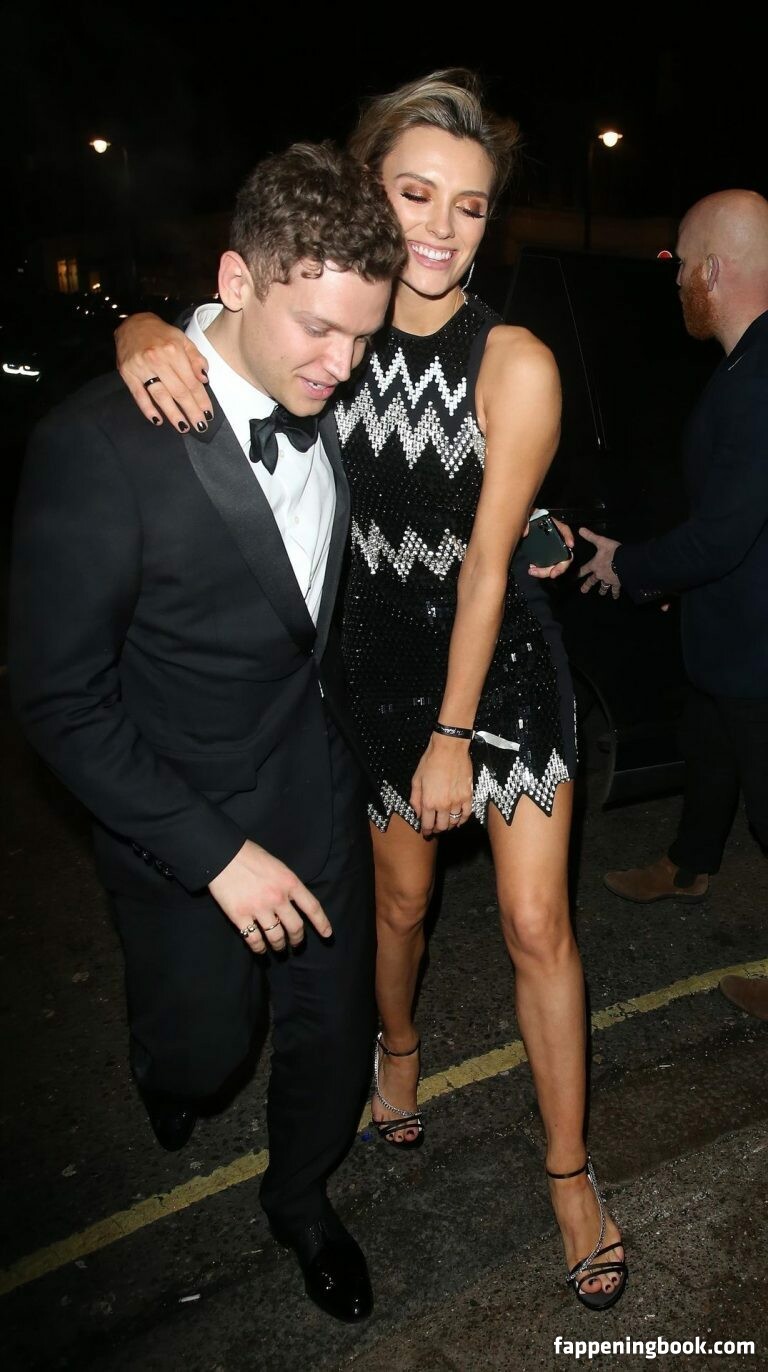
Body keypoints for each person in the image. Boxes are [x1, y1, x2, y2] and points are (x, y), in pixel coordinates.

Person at [115, 71, 627, 1310]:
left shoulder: (513, 362)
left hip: (494, 675)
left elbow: (491, 569)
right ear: (367, 194)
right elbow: (228, 335)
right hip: (372, 676)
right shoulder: (330, 339)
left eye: (471, 205)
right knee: (398, 906)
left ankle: (570, 1174)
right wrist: (139, 329)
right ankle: (399, 1049)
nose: (443, 228)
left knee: (536, 923)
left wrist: (456, 733)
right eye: (415, 194)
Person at [9, 142, 406, 1323]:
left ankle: (301, 1201)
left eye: (363, 338)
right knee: (204, 1049)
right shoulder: (97, 446)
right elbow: (59, 699)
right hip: (181, 819)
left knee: (333, 1033)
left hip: (314, 787)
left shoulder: (334, 396)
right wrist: (218, 856)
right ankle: (165, 1071)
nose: (342, 366)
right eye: (319, 330)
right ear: (237, 280)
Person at [578, 190, 768, 1022]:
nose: (677, 278)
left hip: (761, 649)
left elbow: (723, 535)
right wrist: (660, 573)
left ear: (714, 270)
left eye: (682, 262)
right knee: (708, 746)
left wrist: (633, 568)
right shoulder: (743, 363)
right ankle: (690, 864)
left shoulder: (761, 377)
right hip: (732, 634)